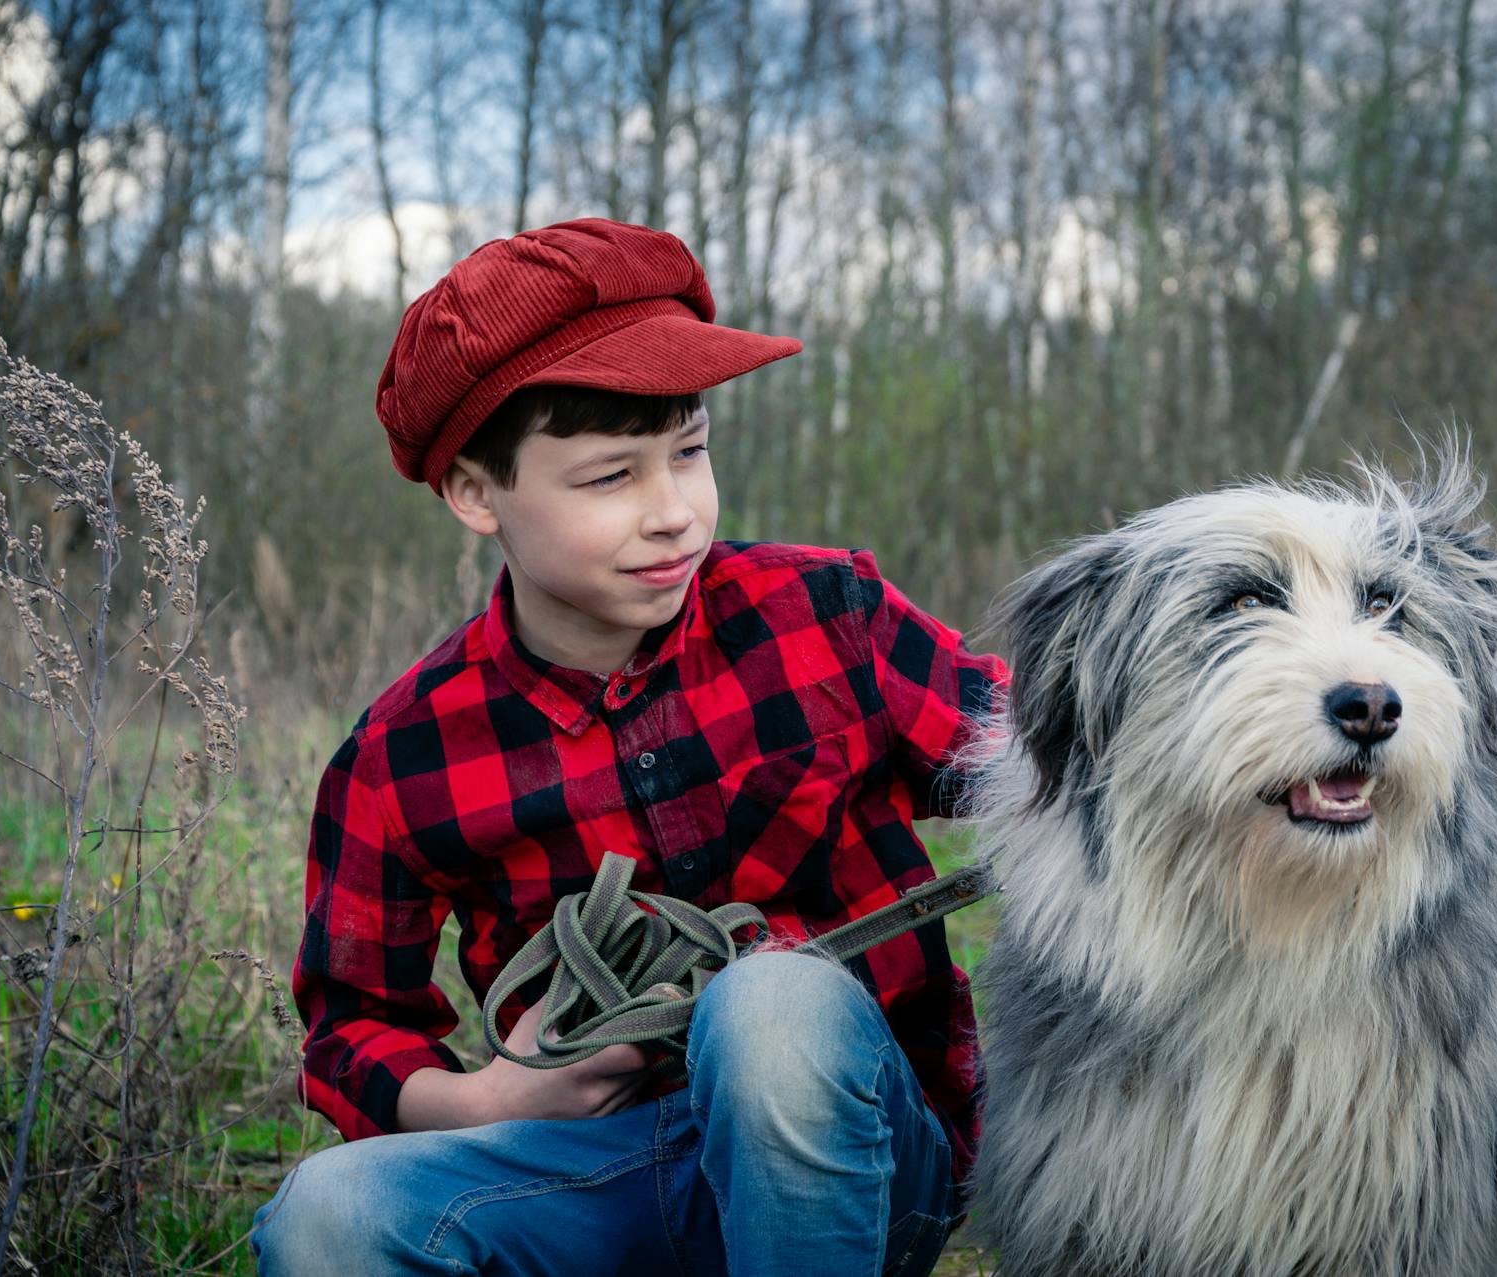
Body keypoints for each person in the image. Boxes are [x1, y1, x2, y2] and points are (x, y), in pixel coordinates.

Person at [249, 217, 1008, 1277]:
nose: (674, 514)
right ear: (477, 492)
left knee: (771, 998)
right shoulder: (399, 754)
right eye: (611, 477)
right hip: (594, 1178)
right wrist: (477, 1100)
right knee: (326, 1214)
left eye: (689, 454)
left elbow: (1032, 755)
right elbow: (351, 1027)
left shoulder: (826, 612)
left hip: (864, 1163)